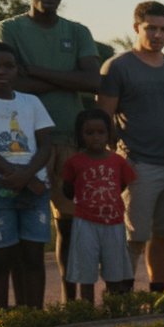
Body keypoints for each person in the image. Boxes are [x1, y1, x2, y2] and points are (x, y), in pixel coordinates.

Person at [0, 0, 101, 302]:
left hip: (70, 137)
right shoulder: (8, 29)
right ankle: (12, 311)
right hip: (19, 150)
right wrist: (64, 78)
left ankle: (70, 304)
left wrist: (35, 72)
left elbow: (91, 81)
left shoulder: (77, 31)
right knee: (15, 239)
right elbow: (9, 78)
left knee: (68, 225)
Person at [97, 1, 164, 293]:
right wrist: (120, 158)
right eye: (151, 28)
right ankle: (121, 297)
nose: (158, 34)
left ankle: (157, 294)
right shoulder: (117, 66)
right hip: (136, 162)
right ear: (137, 27)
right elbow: (102, 119)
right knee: (134, 235)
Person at [0, 42, 53, 310]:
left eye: (8, 66)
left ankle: (33, 314)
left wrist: (26, 176)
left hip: (35, 189)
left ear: (17, 70)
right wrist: (14, 175)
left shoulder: (31, 102)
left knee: (33, 257)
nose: (2, 71)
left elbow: (46, 144)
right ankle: (0, 321)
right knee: (0, 259)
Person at [62, 109, 135, 304]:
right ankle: (88, 309)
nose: (96, 137)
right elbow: (68, 189)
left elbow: (123, 184)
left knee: (115, 271)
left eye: (101, 132)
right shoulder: (74, 162)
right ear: (80, 135)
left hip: (114, 222)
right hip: (85, 222)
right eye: (89, 133)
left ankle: (114, 308)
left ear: (109, 134)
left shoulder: (118, 161)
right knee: (86, 271)